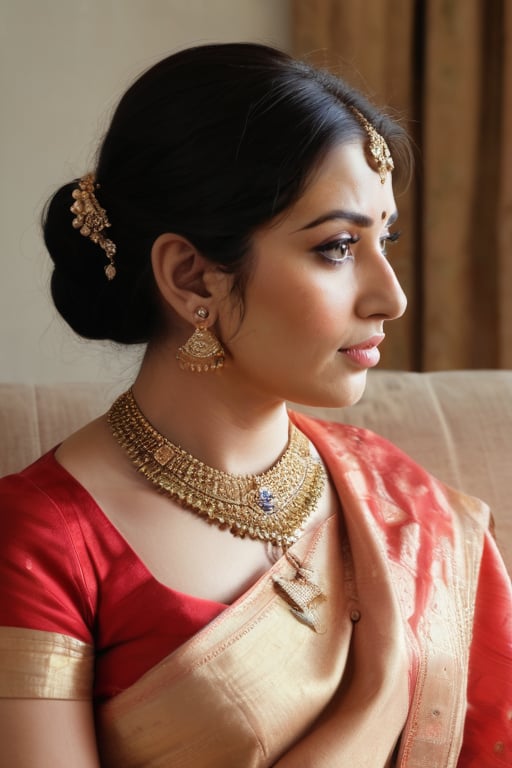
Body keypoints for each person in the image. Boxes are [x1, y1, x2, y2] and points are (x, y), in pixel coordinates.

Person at [0, 43, 510, 768]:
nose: (390, 296)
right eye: (337, 246)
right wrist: (363, 715)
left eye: (385, 239)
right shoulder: (42, 542)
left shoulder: (402, 503)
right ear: (192, 278)